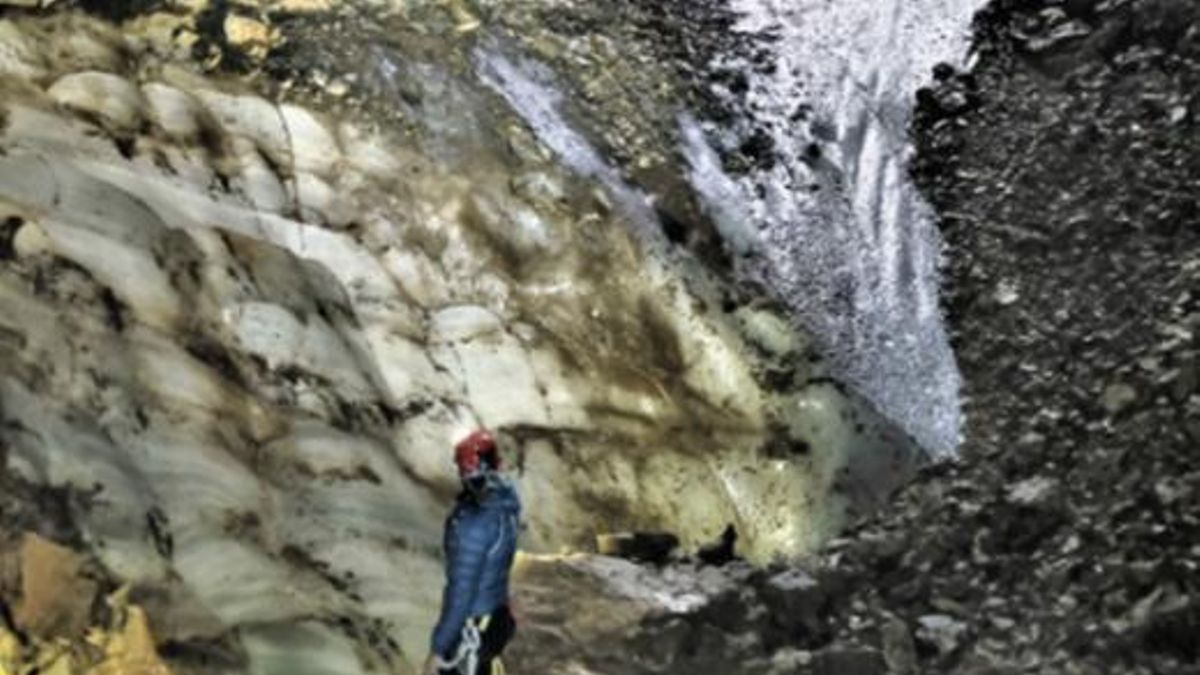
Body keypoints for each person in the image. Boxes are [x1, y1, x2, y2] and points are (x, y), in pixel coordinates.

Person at [423, 430, 521, 675]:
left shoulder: (472, 525)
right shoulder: (506, 501)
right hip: (495, 615)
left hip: (473, 627)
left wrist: (437, 650)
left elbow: (461, 594)